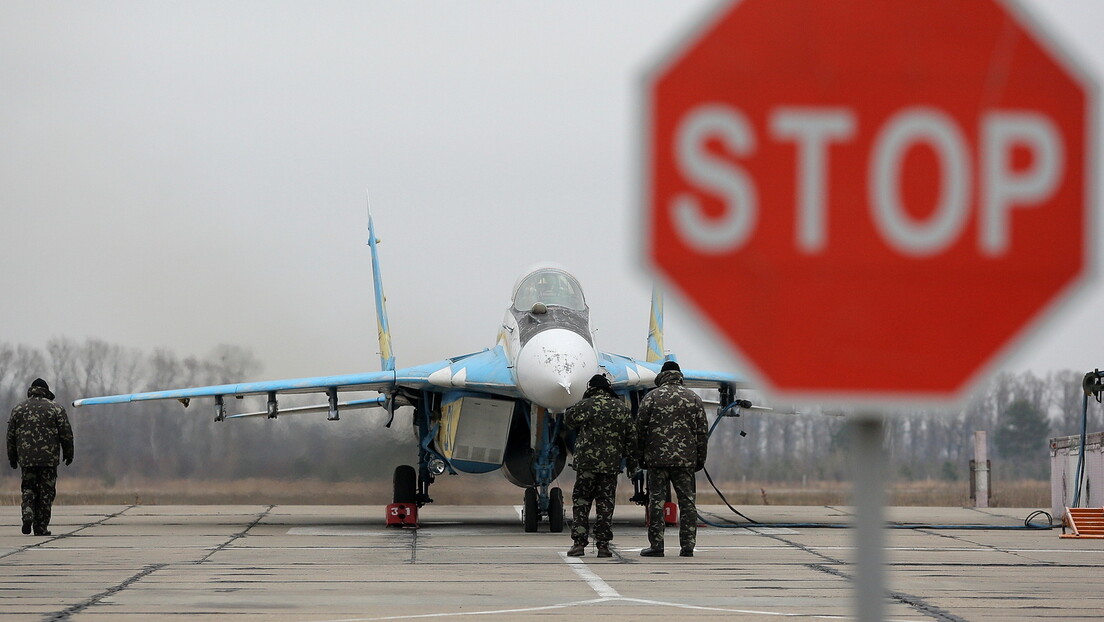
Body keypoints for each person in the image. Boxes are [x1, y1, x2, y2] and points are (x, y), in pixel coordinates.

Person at [636, 360, 708, 558]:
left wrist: (641, 458)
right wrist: (700, 459)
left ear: (662, 375)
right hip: (685, 461)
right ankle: (687, 547)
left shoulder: (651, 397)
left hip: (656, 461)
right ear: (679, 375)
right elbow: (702, 433)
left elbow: (640, 431)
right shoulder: (693, 398)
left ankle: (657, 546)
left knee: (656, 502)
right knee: (687, 504)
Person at [564, 373, 636, 558]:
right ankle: (603, 546)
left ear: (591, 388)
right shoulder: (620, 407)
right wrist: (629, 461)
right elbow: (631, 437)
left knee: (581, 501)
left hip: (586, 465)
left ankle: (579, 544)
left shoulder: (585, 405)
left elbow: (568, 420)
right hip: (610, 465)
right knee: (605, 503)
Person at [7, 378, 74, 536]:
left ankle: (27, 514)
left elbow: (10, 436)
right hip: (48, 460)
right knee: (46, 492)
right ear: (46, 391)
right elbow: (66, 434)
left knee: (28, 487)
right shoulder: (56, 409)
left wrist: (12, 457)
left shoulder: (18, 409)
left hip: (26, 459)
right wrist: (69, 453)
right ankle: (40, 527)